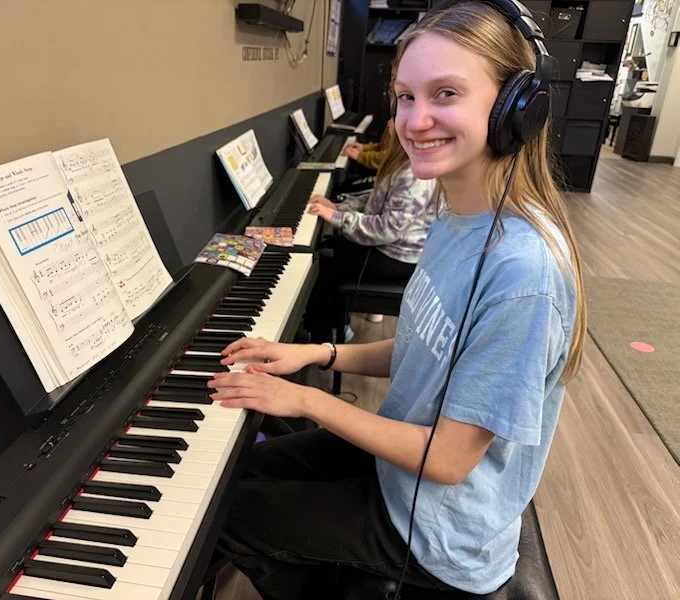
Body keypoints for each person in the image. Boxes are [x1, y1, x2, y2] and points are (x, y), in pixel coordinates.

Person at [209, 2, 587, 598]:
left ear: (519, 108)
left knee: (222, 518)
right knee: (229, 478)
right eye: (406, 96)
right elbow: (423, 344)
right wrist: (314, 354)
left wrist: (304, 401)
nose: (415, 120)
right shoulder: (457, 212)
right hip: (398, 470)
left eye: (445, 93)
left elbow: (448, 461)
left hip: (438, 533)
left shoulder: (523, 272)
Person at [304, 130, 436, 341]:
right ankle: (331, 322)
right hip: (388, 245)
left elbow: (386, 230)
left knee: (323, 262)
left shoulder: (415, 175)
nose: (391, 127)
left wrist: (338, 217)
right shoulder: (400, 162)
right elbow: (375, 198)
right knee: (329, 247)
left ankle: (323, 336)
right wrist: (338, 207)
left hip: (399, 256)